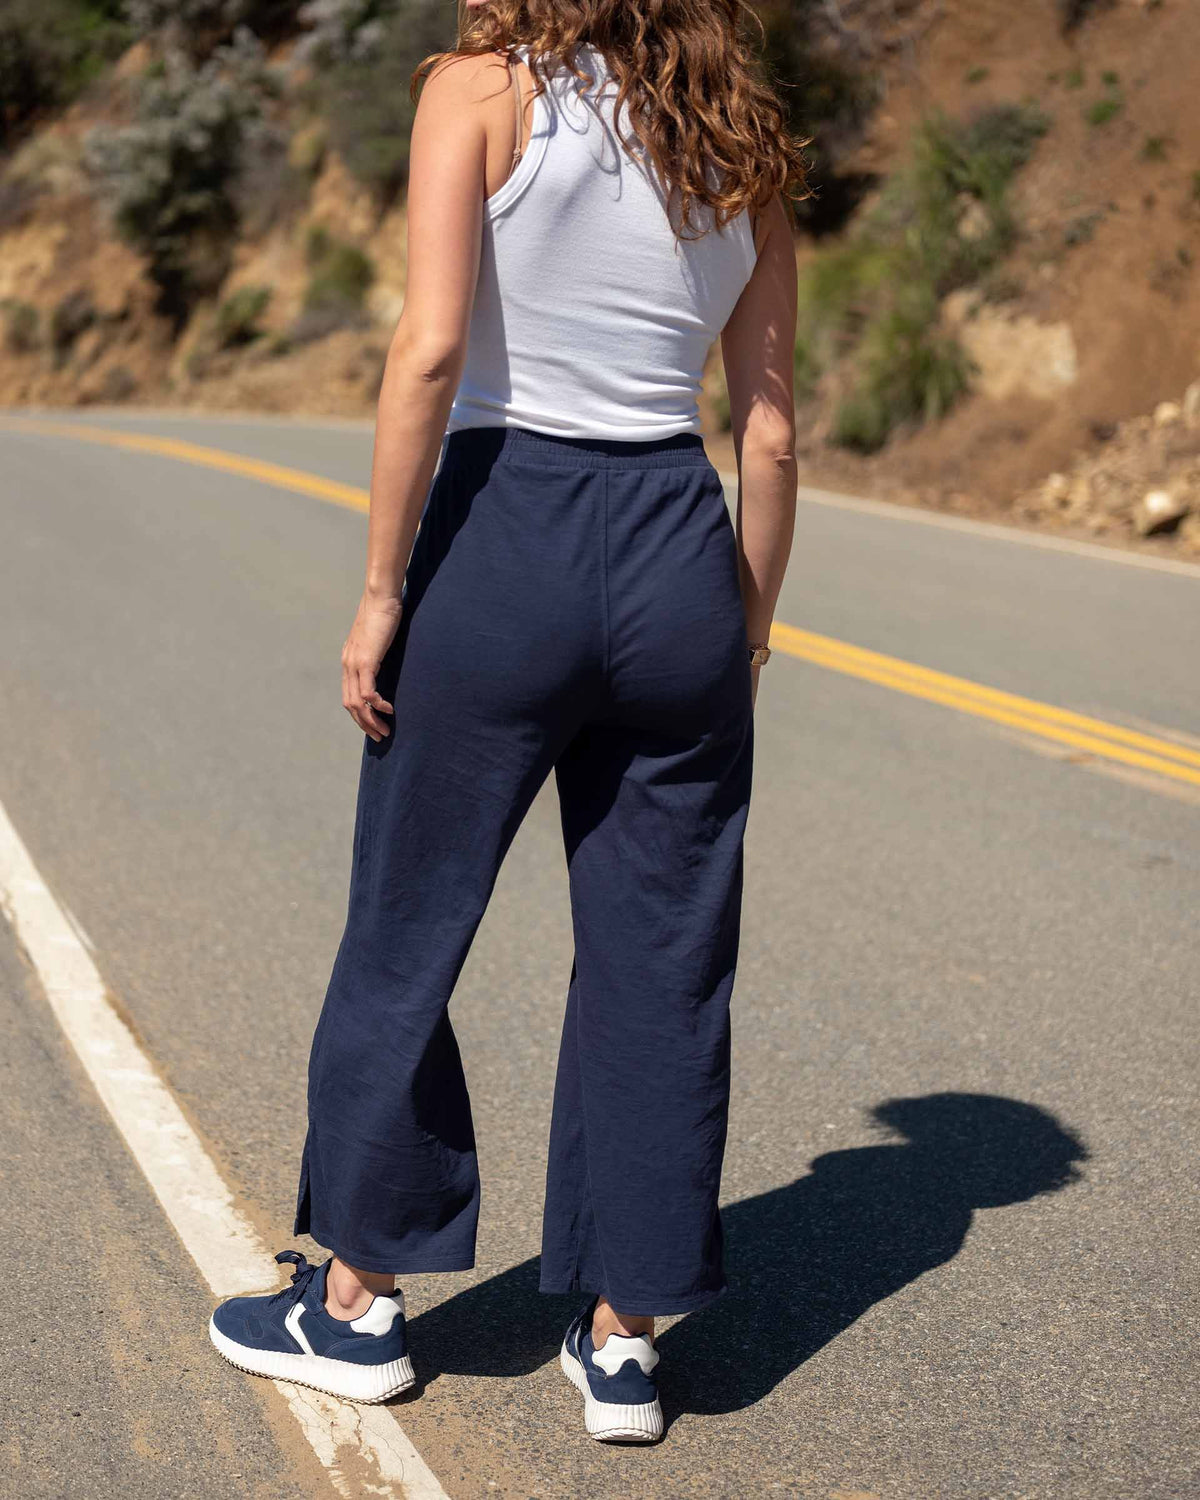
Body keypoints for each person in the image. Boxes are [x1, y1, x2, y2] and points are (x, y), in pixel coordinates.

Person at [208, 0, 804, 1444]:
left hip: (504, 528)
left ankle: (354, 1306)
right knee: (662, 955)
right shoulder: (745, 140)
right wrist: (750, 620)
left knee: (410, 924)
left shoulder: (478, 92)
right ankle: (623, 1340)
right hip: (677, 537)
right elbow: (771, 428)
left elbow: (425, 353)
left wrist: (374, 590)